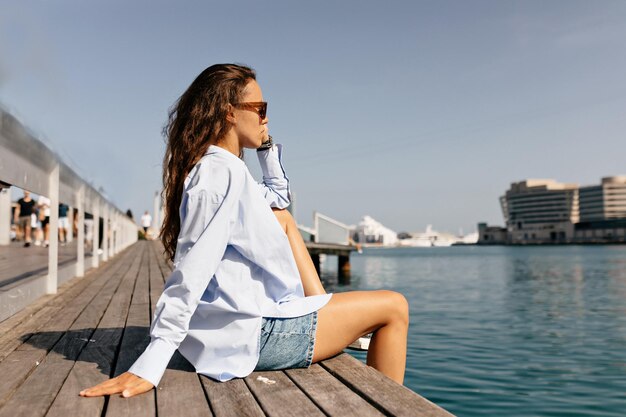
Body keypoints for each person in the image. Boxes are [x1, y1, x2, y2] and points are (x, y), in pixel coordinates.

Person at [79, 64, 408, 399]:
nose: (266, 119)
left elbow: (279, 199)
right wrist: (153, 360)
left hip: (234, 333)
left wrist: (266, 148)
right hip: (250, 339)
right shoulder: (220, 176)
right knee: (394, 307)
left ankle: (320, 307)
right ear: (229, 113)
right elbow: (190, 272)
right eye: (260, 109)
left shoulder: (226, 170)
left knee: (283, 219)